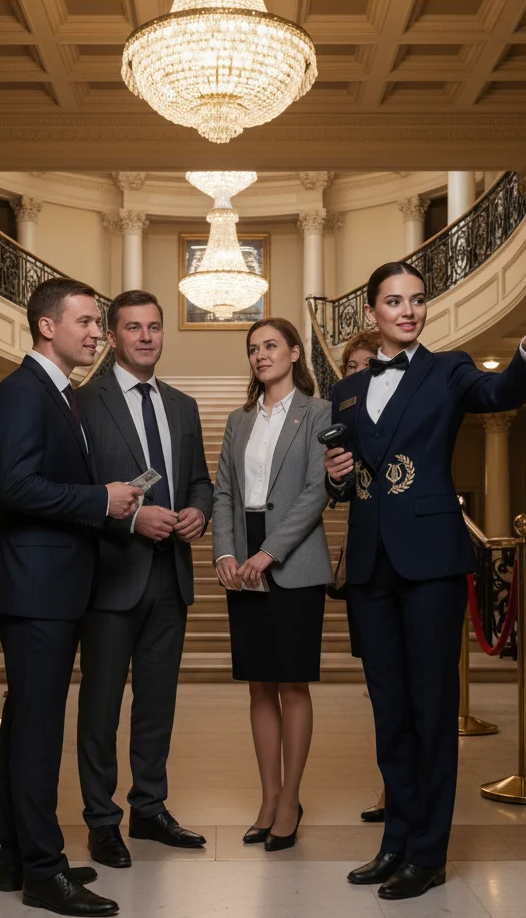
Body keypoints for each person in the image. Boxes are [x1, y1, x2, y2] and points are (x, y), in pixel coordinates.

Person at [324, 261, 526, 901]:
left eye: (417, 300)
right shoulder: (346, 392)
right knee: (389, 711)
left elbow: (499, 394)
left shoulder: (449, 368)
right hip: (372, 564)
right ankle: (396, 841)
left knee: (433, 709)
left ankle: (429, 853)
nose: (408, 310)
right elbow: (344, 480)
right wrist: (334, 473)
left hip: (431, 560)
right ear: (372, 313)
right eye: (394, 301)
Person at [0, 276, 142, 917]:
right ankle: (44, 874)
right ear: (48, 326)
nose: (97, 332)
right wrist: (101, 500)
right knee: (39, 731)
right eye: (86, 321)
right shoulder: (20, 392)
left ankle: (19, 856)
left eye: (98, 323)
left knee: (28, 724)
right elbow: (16, 487)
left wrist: (101, 493)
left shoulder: (62, 395)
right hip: (35, 586)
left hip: (52, 584)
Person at [76, 290, 214, 869]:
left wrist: (198, 513)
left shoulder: (182, 406)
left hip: (170, 578)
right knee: (102, 705)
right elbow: (75, 492)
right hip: (111, 576)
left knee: (157, 704)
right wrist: (133, 517)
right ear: (113, 337)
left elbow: (202, 481)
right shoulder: (83, 404)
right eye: (133, 328)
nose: (146, 337)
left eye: (154, 327)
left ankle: (150, 809)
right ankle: (102, 821)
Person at [212, 317, 333, 852]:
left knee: (292, 682)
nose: (261, 356)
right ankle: (269, 795)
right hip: (243, 559)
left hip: (294, 559)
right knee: (259, 683)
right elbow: (222, 494)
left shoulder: (319, 413)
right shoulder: (239, 421)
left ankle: (291, 800)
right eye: (253, 349)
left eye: (270, 346)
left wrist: (268, 552)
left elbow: (317, 491)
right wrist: (227, 550)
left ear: (294, 351)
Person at [338, 329, 387, 825]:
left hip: (403, 560)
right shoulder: (347, 413)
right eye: (349, 366)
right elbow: (342, 489)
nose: (355, 374)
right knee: (380, 688)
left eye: (364, 364)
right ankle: (391, 790)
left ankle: (405, 795)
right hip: (364, 563)